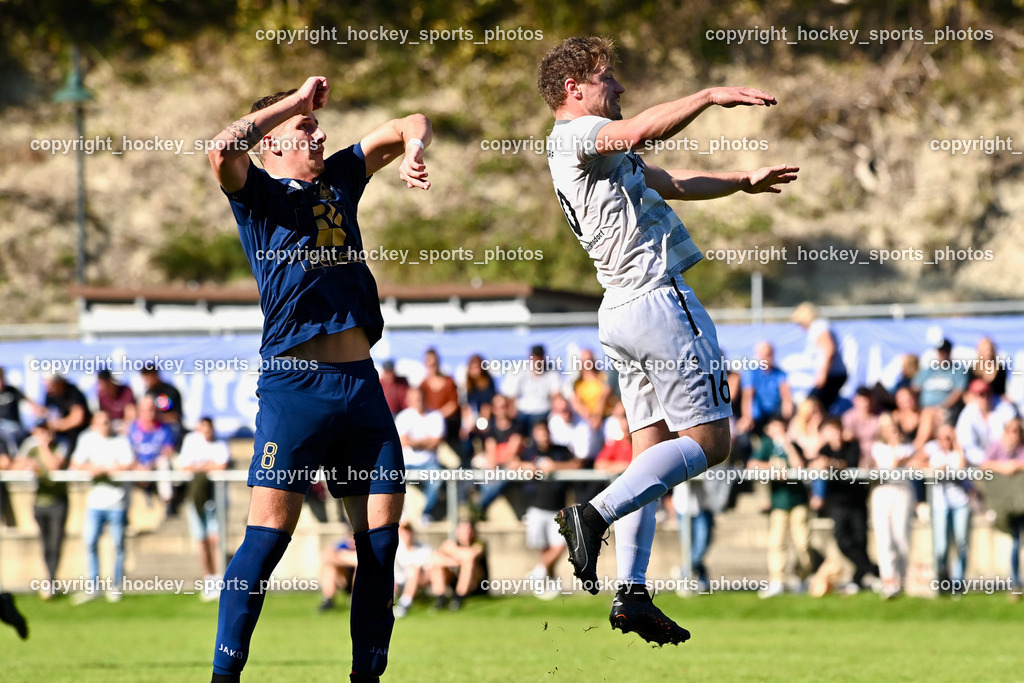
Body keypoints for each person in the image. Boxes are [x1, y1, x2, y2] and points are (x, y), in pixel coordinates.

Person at [539, 35, 797, 644]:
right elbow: (636, 136)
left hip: (622, 311)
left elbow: (669, 180)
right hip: (657, 299)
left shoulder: (592, 152)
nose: (620, 88)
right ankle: (592, 514)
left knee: (650, 460)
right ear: (574, 90)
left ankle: (631, 593)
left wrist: (741, 181)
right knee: (712, 441)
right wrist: (708, 95)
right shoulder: (578, 135)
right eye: (608, 79)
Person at [206, 74, 431, 682]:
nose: (319, 131)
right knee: (268, 538)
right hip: (294, 386)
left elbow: (409, 119)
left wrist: (414, 149)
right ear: (273, 142)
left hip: (361, 386)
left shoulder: (339, 178)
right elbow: (221, 150)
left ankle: (367, 679)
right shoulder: (257, 193)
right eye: (306, 128)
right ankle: (223, 678)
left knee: (381, 543)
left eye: (315, 123)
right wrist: (293, 104)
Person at [69, 411, 134, 604]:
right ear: (94, 424)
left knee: (118, 544)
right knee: (90, 542)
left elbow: (129, 463)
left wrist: (105, 470)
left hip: (117, 501)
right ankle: (93, 586)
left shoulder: (121, 440)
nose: (105, 426)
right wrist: (92, 469)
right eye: (101, 423)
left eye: (107, 422)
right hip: (95, 502)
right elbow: (76, 464)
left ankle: (115, 586)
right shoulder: (87, 439)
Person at [811, 417, 879, 593]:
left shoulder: (852, 446)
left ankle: (859, 578)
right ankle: (872, 569)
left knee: (860, 538)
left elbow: (849, 464)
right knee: (843, 539)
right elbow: (814, 465)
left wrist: (830, 464)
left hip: (856, 499)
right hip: (837, 501)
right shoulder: (823, 449)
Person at [748, 415, 812, 597]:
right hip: (778, 502)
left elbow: (800, 466)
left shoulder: (792, 443)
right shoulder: (766, 445)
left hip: (798, 501)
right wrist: (772, 468)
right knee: (776, 543)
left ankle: (802, 578)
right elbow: (752, 465)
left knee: (803, 543)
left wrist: (788, 446)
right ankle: (777, 580)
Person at [521, 421, 579, 595]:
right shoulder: (529, 452)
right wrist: (526, 467)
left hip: (558, 508)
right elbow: (511, 463)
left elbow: (577, 465)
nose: (543, 436)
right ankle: (549, 585)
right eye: (539, 433)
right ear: (534, 434)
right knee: (544, 548)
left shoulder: (560, 451)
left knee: (562, 544)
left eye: (545, 432)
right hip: (537, 507)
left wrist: (556, 467)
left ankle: (537, 572)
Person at [12, 420, 69, 598]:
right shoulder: (30, 448)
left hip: (58, 501)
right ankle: (49, 580)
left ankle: (51, 582)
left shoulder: (61, 446)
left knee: (55, 543)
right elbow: (14, 466)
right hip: (39, 502)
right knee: (45, 544)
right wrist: (27, 464)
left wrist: (43, 447)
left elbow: (53, 466)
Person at [178, 417, 230, 601]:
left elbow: (222, 465)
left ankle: (218, 578)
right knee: (202, 540)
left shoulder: (220, 444)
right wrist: (207, 467)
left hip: (215, 499)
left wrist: (199, 467)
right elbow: (184, 466)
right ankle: (208, 579)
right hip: (196, 499)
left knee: (215, 540)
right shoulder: (191, 442)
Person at [866, 414, 917, 599]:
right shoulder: (878, 448)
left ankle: (903, 579)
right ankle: (889, 582)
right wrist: (896, 451)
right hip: (883, 491)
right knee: (884, 539)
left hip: (902, 491)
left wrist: (899, 447)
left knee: (901, 538)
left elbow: (907, 464)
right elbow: (889, 468)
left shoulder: (909, 447)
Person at [918, 423, 971, 593]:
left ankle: (958, 582)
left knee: (961, 541)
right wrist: (934, 470)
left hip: (959, 502)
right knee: (941, 546)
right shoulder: (933, 453)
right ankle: (942, 579)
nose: (944, 441)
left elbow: (962, 467)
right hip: (940, 504)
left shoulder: (957, 454)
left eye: (948, 438)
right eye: (941, 438)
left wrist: (957, 444)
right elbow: (915, 463)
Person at [979, 418, 1024, 599]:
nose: (1014, 434)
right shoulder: (998, 446)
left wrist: (1017, 465)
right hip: (1007, 505)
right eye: (1011, 430)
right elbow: (985, 464)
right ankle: (1015, 583)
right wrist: (1003, 467)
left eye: (1017, 431)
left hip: (1022, 501)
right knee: (1015, 543)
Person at [394, 387, 445, 523]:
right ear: (408, 400)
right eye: (415, 399)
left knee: (437, 478)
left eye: (420, 398)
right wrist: (426, 440)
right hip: (406, 463)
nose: (418, 402)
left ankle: (426, 514)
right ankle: (401, 512)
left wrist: (413, 441)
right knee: (392, 478)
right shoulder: (403, 417)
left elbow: (435, 442)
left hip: (430, 464)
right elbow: (403, 441)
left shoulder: (436, 416)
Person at [791, 303, 847, 410]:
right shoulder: (820, 326)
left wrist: (822, 374)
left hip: (831, 375)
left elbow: (829, 350)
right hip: (833, 375)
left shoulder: (818, 327)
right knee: (820, 408)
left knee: (810, 407)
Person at [955, 379, 1019, 466]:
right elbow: (968, 448)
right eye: (981, 394)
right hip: (980, 464)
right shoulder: (967, 414)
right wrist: (988, 461)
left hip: (1008, 458)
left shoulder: (1003, 406)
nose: (985, 397)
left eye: (988, 393)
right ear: (973, 396)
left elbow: (1014, 430)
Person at [128, 395, 177, 506]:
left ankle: (168, 502)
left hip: (155, 465)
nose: (150, 413)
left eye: (152, 409)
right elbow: (127, 451)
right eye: (146, 410)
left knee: (164, 463)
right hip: (137, 466)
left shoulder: (165, 428)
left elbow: (168, 450)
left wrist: (150, 465)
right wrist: (137, 465)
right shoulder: (132, 428)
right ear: (139, 411)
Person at [430, 518, 488, 611]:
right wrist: (456, 560)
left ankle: (458, 598)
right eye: (462, 529)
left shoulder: (479, 544)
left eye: (468, 529)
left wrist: (453, 556)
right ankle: (441, 599)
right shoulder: (450, 543)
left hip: (476, 583)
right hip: (454, 579)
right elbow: (435, 558)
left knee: (468, 563)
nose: (466, 533)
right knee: (437, 564)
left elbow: (470, 556)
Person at [503, 344, 564, 429]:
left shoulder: (552, 372)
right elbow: (510, 395)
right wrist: (511, 410)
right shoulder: (519, 370)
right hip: (522, 412)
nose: (537, 360)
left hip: (543, 411)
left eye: (540, 357)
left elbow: (556, 395)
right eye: (535, 357)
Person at [738, 341, 793, 436]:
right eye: (764, 355)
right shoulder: (751, 372)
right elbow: (748, 396)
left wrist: (787, 411)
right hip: (757, 415)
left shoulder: (780, 374)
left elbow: (786, 395)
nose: (766, 358)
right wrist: (746, 417)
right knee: (743, 431)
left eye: (768, 354)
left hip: (774, 413)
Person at [913, 338, 969, 425]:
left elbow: (958, 392)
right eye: (940, 351)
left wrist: (941, 407)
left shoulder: (957, 371)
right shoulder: (927, 371)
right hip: (924, 410)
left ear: (950, 352)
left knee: (929, 415)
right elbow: (915, 389)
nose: (942, 354)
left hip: (946, 411)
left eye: (945, 351)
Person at [40, 374, 91, 456]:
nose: (48, 388)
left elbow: (78, 418)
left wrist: (59, 425)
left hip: (77, 433)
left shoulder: (73, 392)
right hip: (59, 435)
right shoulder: (50, 394)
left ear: (59, 382)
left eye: (51, 385)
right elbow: (46, 413)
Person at [393, 519, 433, 617]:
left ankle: (404, 604)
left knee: (414, 570)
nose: (406, 534)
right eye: (403, 531)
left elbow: (429, 571)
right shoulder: (395, 549)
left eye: (408, 531)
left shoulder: (424, 548)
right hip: (398, 582)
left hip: (420, 581)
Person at [0, 367, 39, 453]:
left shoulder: (12, 390)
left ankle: (15, 454)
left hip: (14, 426)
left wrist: (36, 409)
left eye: (1, 379)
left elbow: (29, 401)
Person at [319, 536, 359, 612]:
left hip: (361, 580)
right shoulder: (343, 546)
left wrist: (341, 556)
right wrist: (348, 558)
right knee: (331, 567)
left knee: (359, 565)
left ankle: (356, 598)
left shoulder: (365, 545)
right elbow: (325, 556)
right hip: (344, 580)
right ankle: (328, 600)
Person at [95, 368, 136, 432]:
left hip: (125, 425)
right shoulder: (101, 395)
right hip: (109, 426)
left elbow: (131, 412)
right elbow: (103, 414)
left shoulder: (126, 391)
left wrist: (124, 425)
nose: (103, 387)